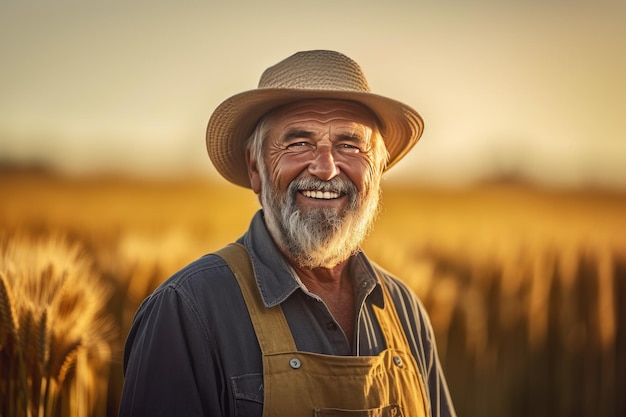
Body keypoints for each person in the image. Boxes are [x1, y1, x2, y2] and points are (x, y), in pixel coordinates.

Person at [119, 50, 456, 417]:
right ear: (255, 168)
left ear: (377, 169)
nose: (326, 168)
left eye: (350, 144)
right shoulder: (187, 309)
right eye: (298, 143)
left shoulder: (405, 311)